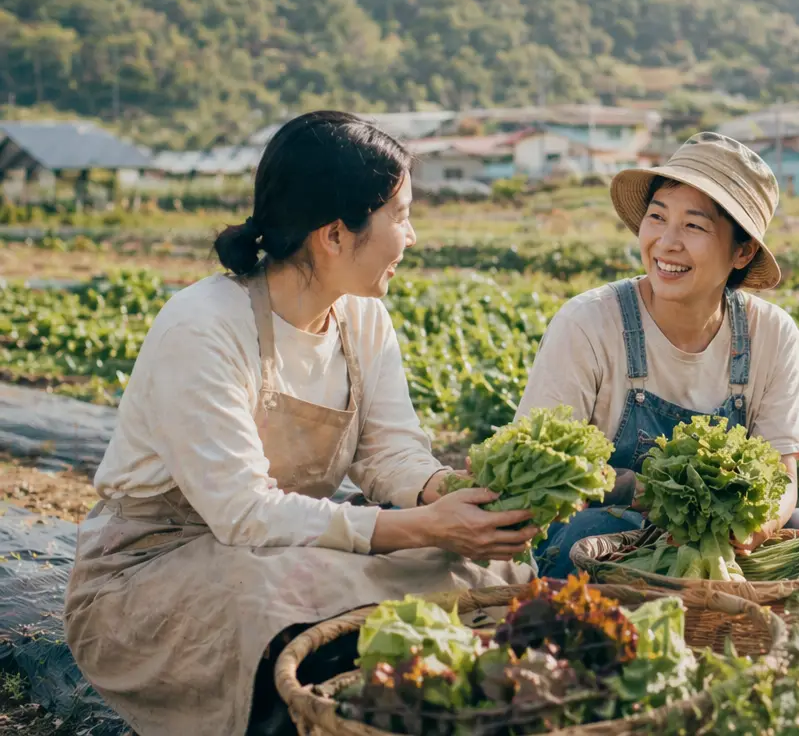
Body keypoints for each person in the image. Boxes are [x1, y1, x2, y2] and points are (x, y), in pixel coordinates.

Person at [65, 111, 537, 736]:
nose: (412, 235)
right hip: (155, 565)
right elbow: (243, 513)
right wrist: (415, 525)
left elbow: (389, 452)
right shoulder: (204, 325)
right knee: (298, 597)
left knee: (480, 574)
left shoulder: (361, 318)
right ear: (336, 234)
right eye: (400, 215)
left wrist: (443, 495)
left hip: (289, 546)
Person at [516, 132, 799, 578]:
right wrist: (661, 498)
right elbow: (544, 467)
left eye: (694, 226)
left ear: (742, 251)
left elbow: (781, 479)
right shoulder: (588, 322)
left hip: (723, 541)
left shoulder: (771, 333)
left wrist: (747, 529)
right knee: (588, 530)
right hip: (605, 535)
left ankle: (748, 634)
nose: (666, 242)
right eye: (657, 217)